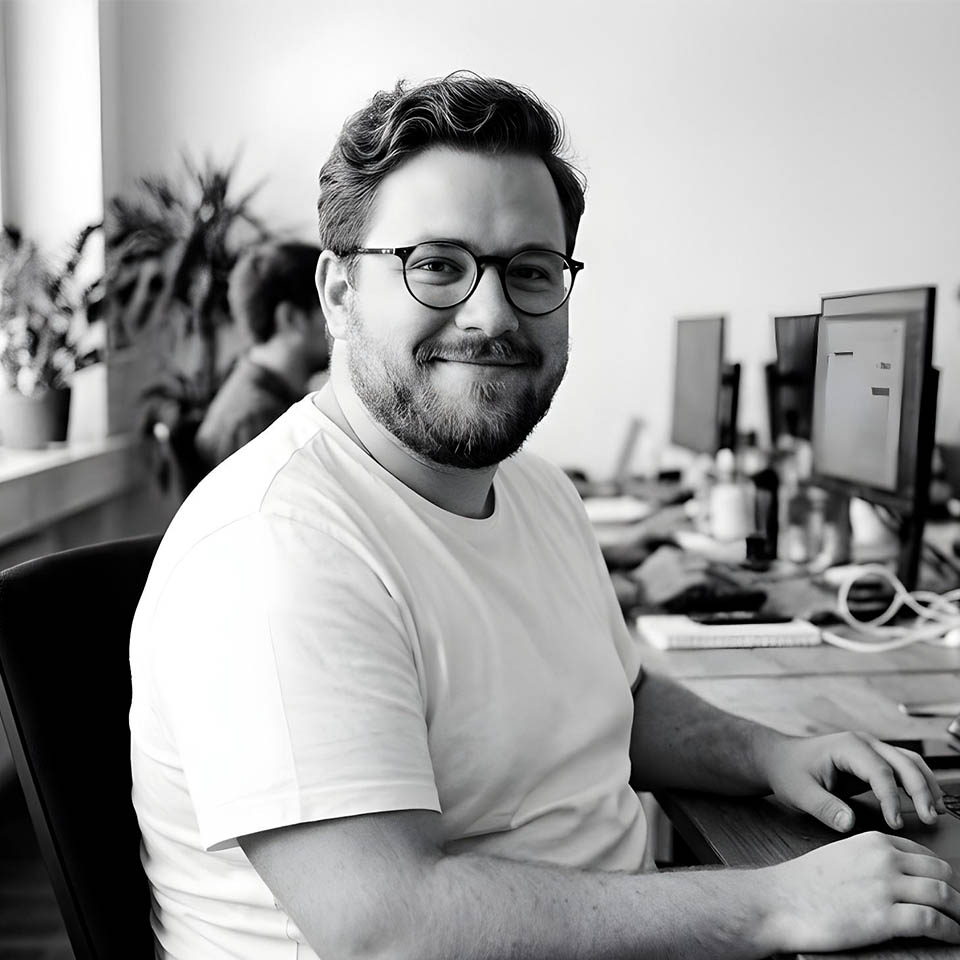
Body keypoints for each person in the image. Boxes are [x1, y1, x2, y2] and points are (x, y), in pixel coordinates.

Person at [129, 72, 960, 960]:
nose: (491, 314)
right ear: (338, 294)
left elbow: (619, 699)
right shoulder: (278, 547)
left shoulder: (533, 487)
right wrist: (771, 905)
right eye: (436, 265)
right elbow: (388, 927)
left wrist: (769, 755)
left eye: (530, 270)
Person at [195, 240, 329, 468]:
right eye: (329, 306)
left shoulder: (258, 395)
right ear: (291, 318)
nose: (341, 324)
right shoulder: (258, 423)